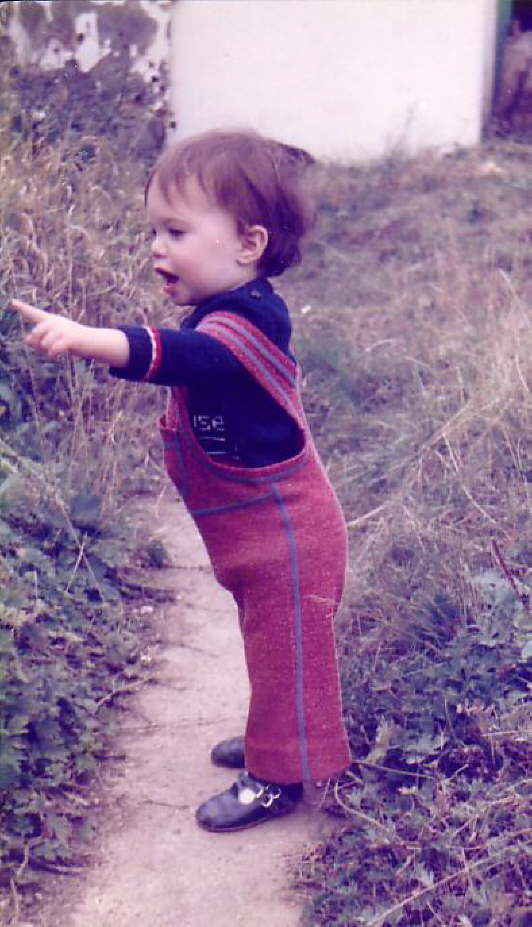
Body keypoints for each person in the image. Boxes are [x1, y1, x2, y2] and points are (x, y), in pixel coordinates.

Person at [11, 129, 352, 833]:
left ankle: (276, 780)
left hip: (287, 535)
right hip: (259, 533)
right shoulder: (223, 303)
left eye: (176, 230)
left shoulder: (248, 318)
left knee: (289, 657)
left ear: (248, 244)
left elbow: (184, 356)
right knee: (268, 648)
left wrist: (88, 337)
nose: (156, 248)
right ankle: (272, 741)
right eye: (152, 231)